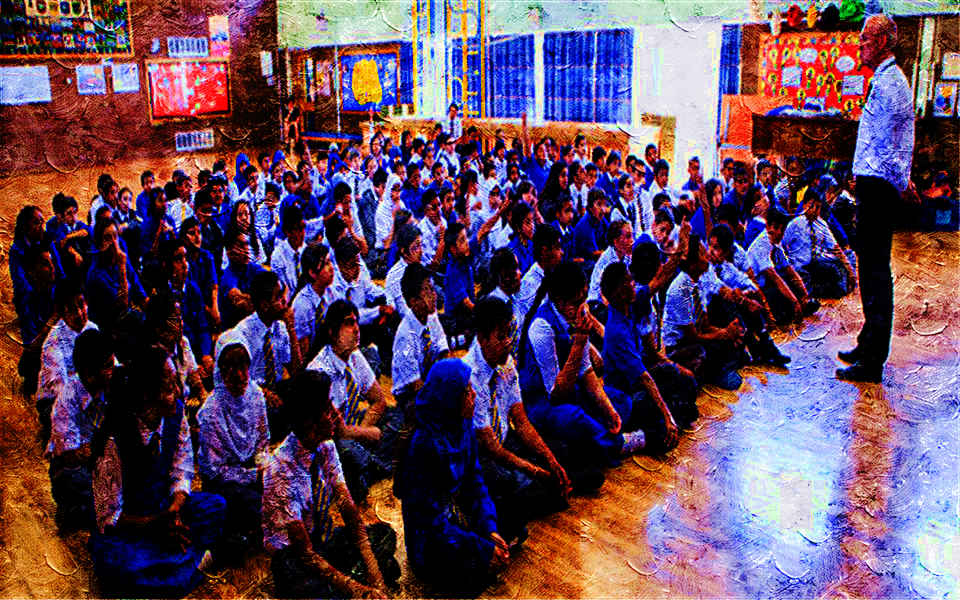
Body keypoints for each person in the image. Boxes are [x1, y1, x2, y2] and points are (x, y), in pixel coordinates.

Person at [88, 345, 226, 597]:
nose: (178, 392)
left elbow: (182, 468)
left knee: (217, 506)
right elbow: (108, 516)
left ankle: (173, 569)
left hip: (165, 508)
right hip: (133, 525)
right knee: (116, 564)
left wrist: (174, 510)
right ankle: (190, 565)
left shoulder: (175, 414)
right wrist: (155, 525)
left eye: (175, 384)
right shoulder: (113, 440)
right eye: (168, 388)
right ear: (146, 396)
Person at [262, 369, 400, 598]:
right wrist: (360, 591)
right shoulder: (281, 469)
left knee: (384, 535)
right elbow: (305, 553)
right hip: (295, 557)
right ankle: (349, 583)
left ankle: (354, 579)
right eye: (328, 409)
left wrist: (373, 571)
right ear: (310, 422)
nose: (336, 413)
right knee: (309, 586)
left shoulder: (325, 445)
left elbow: (347, 508)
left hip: (322, 539)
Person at [839, 14, 916, 383]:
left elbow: (887, 146)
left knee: (873, 272)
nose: (860, 45)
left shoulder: (889, 84)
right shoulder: (885, 80)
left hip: (879, 186)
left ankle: (872, 361)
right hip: (874, 182)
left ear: (883, 42)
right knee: (868, 269)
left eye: (866, 39)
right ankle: (867, 341)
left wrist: (892, 182)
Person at [396, 359, 513, 595]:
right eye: (467, 392)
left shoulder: (462, 424)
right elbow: (431, 522)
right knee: (470, 578)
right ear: (450, 399)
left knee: (512, 520)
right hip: (430, 533)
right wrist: (481, 548)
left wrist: (489, 528)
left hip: (453, 512)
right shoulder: (424, 446)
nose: (474, 395)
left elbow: (475, 480)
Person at [519, 262, 646, 473]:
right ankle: (616, 444)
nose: (582, 306)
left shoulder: (578, 313)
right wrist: (579, 343)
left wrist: (608, 409)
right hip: (543, 401)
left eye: (583, 300)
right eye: (576, 302)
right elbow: (556, 394)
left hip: (573, 391)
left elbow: (586, 371)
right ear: (559, 301)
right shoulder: (541, 327)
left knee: (620, 401)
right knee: (575, 418)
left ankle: (599, 440)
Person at [468, 297, 578, 517]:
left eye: (509, 334)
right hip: (482, 455)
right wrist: (535, 471)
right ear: (482, 338)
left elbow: (521, 421)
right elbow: (491, 448)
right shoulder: (470, 377)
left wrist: (550, 461)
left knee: (560, 453)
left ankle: (554, 482)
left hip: (505, 441)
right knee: (513, 485)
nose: (508, 342)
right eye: (501, 337)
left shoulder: (506, 363)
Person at [307, 300, 400, 504]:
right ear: (332, 333)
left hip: (352, 427)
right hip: (329, 438)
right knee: (347, 452)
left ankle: (372, 467)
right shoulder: (320, 371)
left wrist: (362, 432)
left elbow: (379, 400)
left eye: (356, 322)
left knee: (397, 415)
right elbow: (333, 431)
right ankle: (374, 467)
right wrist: (369, 434)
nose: (356, 329)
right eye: (349, 323)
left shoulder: (355, 356)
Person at [599, 262, 684, 452]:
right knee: (664, 431)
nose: (634, 284)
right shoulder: (617, 331)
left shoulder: (630, 305)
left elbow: (659, 281)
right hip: (626, 395)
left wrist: (679, 252)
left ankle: (668, 418)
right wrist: (668, 416)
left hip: (639, 382)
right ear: (620, 292)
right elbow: (644, 378)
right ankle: (634, 438)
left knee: (674, 375)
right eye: (629, 281)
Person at [197, 343, 269, 559]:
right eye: (232, 372)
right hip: (224, 481)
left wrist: (263, 467)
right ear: (223, 374)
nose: (239, 378)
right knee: (256, 507)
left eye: (243, 370)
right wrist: (250, 476)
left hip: (252, 469)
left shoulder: (255, 395)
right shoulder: (211, 411)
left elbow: (263, 439)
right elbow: (214, 470)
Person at [219, 270, 300, 438]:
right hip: (251, 393)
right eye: (278, 297)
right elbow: (239, 381)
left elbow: (296, 370)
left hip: (276, 389)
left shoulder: (280, 327)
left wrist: (292, 330)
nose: (284, 302)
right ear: (264, 305)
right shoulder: (243, 334)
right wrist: (263, 393)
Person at [45, 329, 112, 531]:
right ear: (90, 376)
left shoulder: (115, 384)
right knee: (75, 480)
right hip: (75, 467)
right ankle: (73, 510)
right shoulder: (66, 402)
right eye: (108, 367)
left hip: (102, 458)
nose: (114, 370)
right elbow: (71, 457)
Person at [662, 235, 747, 390]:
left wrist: (728, 332)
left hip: (695, 335)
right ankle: (716, 374)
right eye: (702, 253)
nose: (707, 254)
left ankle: (726, 364)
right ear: (693, 264)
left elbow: (705, 325)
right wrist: (724, 334)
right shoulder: (680, 290)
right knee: (705, 350)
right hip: (680, 346)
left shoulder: (699, 280)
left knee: (729, 332)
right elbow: (693, 336)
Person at [745, 207, 819, 325]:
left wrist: (806, 296)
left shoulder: (776, 244)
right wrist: (795, 302)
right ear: (768, 227)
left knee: (800, 276)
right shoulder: (761, 245)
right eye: (775, 228)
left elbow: (789, 269)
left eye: (782, 229)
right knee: (777, 295)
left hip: (769, 283)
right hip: (757, 290)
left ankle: (802, 304)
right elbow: (774, 278)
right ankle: (790, 311)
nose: (779, 232)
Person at [392, 263, 450, 409]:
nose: (434, 295)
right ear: (413, 301)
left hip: (429, 379)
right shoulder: (405, 336)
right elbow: (415, 385)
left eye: (433, 289)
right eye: (427, 291)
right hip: (409, 395)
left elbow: (443, 348)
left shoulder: (431, 317)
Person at [782, 189, 857, 299]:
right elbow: (782, 246)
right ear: (804, 205)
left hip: (819, 261)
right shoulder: (795, 224)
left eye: (818, 207)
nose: (815, 211)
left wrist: (850, 271)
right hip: (801, 266)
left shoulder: (821, 223)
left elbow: (835, 247)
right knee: (833, 271)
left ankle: (842, 284)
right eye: (812, 206)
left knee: (849, 255)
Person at [86, 218, 147, 331]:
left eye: (115, 236)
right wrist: (122, 267)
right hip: (110, 327)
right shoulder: (96, 274)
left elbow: (139, 291)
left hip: (127, 320)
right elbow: (123, 306)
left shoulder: (120, 259)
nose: (114, 243)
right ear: (99, 244)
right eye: (107, 238)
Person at [290, 242, 337, 358]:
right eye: (326, 264)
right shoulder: (302, 305)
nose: (331, 268)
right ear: (312, 273)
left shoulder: (331, 292)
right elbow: (304, 352)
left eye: (330, 262)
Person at [270, 205, 307, 301]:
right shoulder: (278, 257)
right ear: (288, 232)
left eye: (304, 227)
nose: (303, 233)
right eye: (299, 229)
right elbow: (283, 292)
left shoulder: (306, 249)